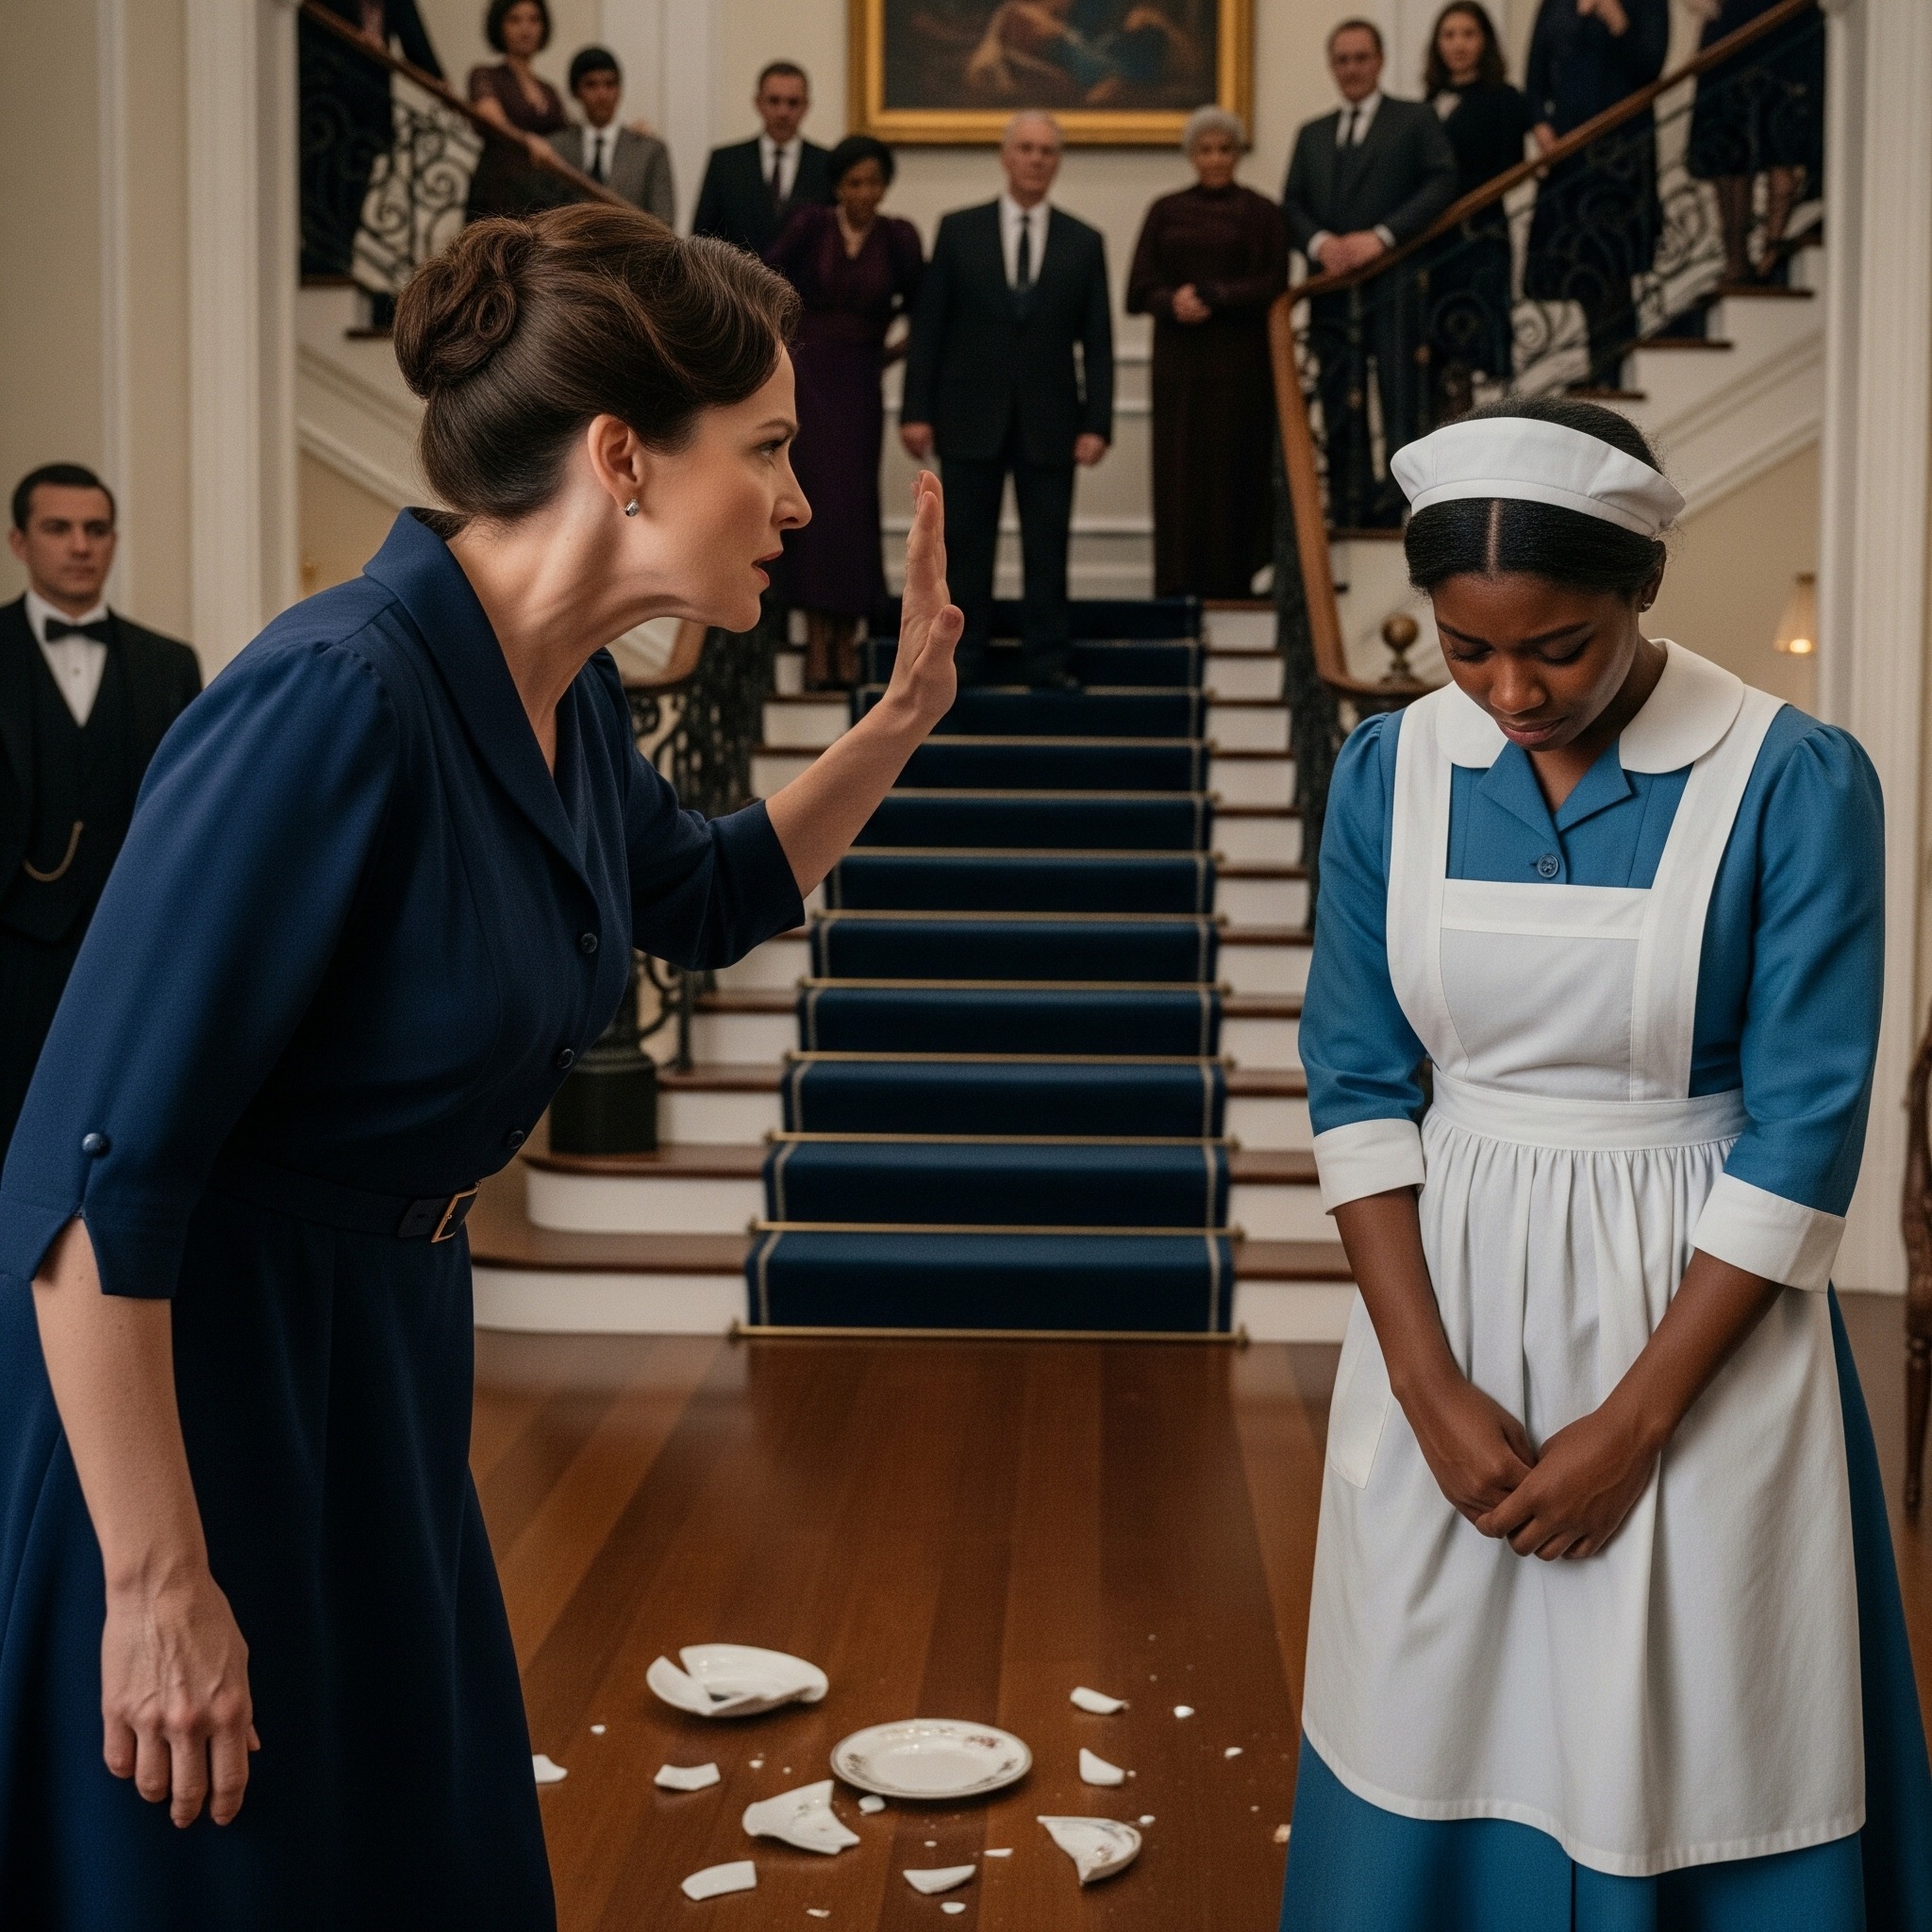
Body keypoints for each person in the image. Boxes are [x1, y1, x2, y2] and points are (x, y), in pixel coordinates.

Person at [0, 205, 963, 1923]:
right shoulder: (332, 698)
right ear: (622, 457)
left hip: (381, 1359)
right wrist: (153, 1582)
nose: (802, 502)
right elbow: (84, 1183)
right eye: (765, 448)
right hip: (208, 1393)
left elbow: (704, 895)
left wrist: (895, 724)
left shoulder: (562, 696)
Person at [1278, 394, 1932, 1928]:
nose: (1511, 691)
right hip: (1445, 1316)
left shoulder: (1789, 779)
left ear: (1642, 590)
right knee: (1430, 1710)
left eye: (1558, 648)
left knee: (1705, 1719)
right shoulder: (1386, 775)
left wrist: (1633, 1426)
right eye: (1465, 649)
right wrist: (1425, 1388)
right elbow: (1356, 1083)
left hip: (1694, 1326)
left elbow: (1803, 1130)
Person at [0, 465, 199, 1160]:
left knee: (120, 1131)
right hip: (12, 942)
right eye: (59, 528)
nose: (81, 546)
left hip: (130, 945)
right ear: (20, 542)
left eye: (97, 529)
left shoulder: (169, 664)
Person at [901, 111, 1112, 690]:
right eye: (1026, 148)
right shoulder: (958, 230)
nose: (1036, 159)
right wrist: (916, 409)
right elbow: (930, 329)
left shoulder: (1084, 240)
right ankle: (962, 660)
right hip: (968, 418)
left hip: (1052, 422)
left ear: (1057, 161)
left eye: (1047, 151)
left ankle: (1047, 659)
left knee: (1048, 547)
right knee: (966, 547)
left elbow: (1097, 341)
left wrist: (1098, 422)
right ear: (1005, 156)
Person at [1283, 19, 1458, 526]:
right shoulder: (1312, 133)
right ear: (1331, 66)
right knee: (1338, 394)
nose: (1352, 69)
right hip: (1331, 289)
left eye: (1361, 58)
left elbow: (1442, 181)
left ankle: (1405, 504)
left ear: (1379, 61)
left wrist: (1381, 236)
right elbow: (1291, 203)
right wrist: (1321, 244)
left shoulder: (1414, 118)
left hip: (1397, 284)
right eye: (1342, 60)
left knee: (1401, 394)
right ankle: (1348, 501)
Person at [765, 136, 925, 691]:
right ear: (837, 186)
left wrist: (886, 355)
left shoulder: (899, 237)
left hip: (860, 385)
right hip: (807, 381)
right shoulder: (810, 225)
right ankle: (817, 643)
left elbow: (926, 309)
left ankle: (846, 644)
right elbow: (764, 285)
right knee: (813, 499)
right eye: (854, 182)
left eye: (874, 183)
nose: (865, 193)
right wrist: (782, 355)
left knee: (853, 507)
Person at [1126, 106, 1287, 600]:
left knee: (1237, 473)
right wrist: (1173, 301)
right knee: (1179, 475)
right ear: (1191, 155)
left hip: (1242, 370)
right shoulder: (1165, 210)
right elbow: (1137, 288)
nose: (1215, 159)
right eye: (1206, 150)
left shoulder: (1263, 212)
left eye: (1224, 149)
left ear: (1237, 154)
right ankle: (1177, 585)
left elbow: (1275, 283)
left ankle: (1236, 585)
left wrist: (1216, 295)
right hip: (1179, 371)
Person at [1523, 0, 1670, 393]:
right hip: (1569, 153)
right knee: (1581, 260)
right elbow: (1534, 78)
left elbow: (1650, 67)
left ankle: (1615, 366)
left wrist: (1616, 17)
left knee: (1615, 259)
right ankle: (1598, 361)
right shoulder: (1555, 5)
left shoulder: (1647, 6)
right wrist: (1541, 127)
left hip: (1623, 152)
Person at [1421, 2, 1533, 419]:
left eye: (1468, 34)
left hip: (1479, 237)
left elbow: (1511, 167)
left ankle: (1466, 434)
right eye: (1449, 35)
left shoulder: (1504, 98)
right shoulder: (1427, 102)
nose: (1458, 44)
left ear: (1485, 41)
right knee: (1435, 353)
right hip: (1432, 244)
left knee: (1469, 344)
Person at [298, 0, 444, 283]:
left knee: (355, 186)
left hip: (370, 113)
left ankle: (339, 257)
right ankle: (320, 257)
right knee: (321, 182)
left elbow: (418, 48)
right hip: (325, 108)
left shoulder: (397, 4)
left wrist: (441, 82)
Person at [1686, 0, 1824, 287]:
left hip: (1787, 21)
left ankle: (1771, 251)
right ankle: (1738, 260)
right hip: (1732, 25)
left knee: (1782, 141)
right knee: (1728, 144)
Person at [691, 62, 834, 259]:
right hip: (738, 277)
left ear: (806, 106)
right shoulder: (726, 163)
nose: (783, 112)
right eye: (774, 101)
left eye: (793, 102)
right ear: (758, 103)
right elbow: (703, 238)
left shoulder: (827, 164)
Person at [465, 0, 570, 222]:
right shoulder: (485, 75)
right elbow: (492, 119)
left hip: (541, 195)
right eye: (515, 20)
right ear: (499, 26)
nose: (526, 28)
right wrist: (528, 140)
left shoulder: (549, 90)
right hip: (498, 189)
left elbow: (570, 136)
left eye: (534, 19)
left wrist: (630, 131)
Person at [548, 45, 674, 226]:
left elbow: (664, 221)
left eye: (610, 84)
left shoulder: (649, 150)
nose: (602, 94)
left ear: (620, 89)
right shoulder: (556, 148)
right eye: (591, 85)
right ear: (576, 92)